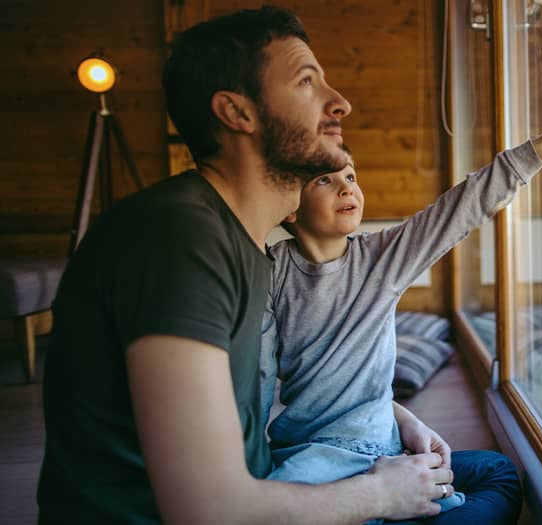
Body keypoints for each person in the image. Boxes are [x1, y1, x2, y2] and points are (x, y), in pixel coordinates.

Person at [38, 7, 458, 524]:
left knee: (478, 471)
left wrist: (394, 414)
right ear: (237, 113)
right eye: (307, 82)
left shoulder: (247, 247)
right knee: (488, 489)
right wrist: (380, 495)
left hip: (260, 483)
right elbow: (206, 510)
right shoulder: (177, 241)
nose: (340, 103)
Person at [259, 97, 542, 524]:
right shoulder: (270, 271)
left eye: (350, 176)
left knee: (497, 470)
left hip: (379, 448)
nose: (347, 187)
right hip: (308, 457)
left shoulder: (382, 257)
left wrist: (535, 152)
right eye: (326, 181)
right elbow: (255, 381)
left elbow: (459, 209)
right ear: (290, 206)